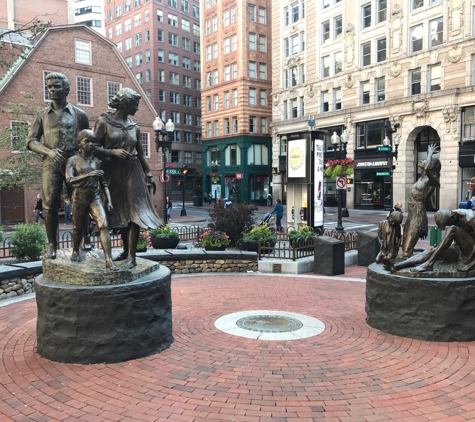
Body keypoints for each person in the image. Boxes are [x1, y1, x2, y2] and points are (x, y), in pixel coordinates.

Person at [93, 87, 162, 269]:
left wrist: (149, 173)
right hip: (111, 171)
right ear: (125, 103)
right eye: (135, 104)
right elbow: (93, 148)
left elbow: (140, 153)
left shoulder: (134, 127)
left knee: (134, 211)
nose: (137, 108)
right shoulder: (103, 122)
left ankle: (131, 255)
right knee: (119, 212)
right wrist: (112, 152)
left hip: (133, 170)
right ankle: (125, 250)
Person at [27, 72, 89, 259]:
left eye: (56, 86)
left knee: (81, 202)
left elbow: (87, 139)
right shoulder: (42, 115)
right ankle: (52, 245)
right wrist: (49, 152)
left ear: (66, 89)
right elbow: (30, 141)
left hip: (75, 161)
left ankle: (85, 239)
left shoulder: (80, 115)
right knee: (49, 204)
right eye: (49, 86)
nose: (52, 90)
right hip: (51, 160)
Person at [65, 130, 117, 271]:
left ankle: (108, 259)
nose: (90, 144)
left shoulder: (95, 161)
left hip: (95, 196)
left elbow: (104, 183)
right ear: (79, 143)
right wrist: (89, 175)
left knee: (104, 225)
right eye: (87, 141)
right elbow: (69, 180)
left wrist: (110, 201)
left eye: (93, 141)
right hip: (79, 196)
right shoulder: (73, 160)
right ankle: (75, 250)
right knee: (78, 227)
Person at [381, 208, 475, 273]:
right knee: (431, 251)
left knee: (452, 229)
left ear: (452, 218)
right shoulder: (453, 214)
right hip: (459, 249)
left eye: (447, 224)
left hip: (472, 253)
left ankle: (429, 264)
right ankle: (396, 266)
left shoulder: (471, 218)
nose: (447, 227)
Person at [402, 144, 441, 257]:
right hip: (411, 213)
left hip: (417, 213)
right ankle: (413, 259)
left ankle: (412, 264)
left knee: (406, 251)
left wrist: (430, 153)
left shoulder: (432, 180)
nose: (423, 160)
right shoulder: (421, 178)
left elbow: (427, 168)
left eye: (426, 159)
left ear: (431, 165)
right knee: (405, 248)